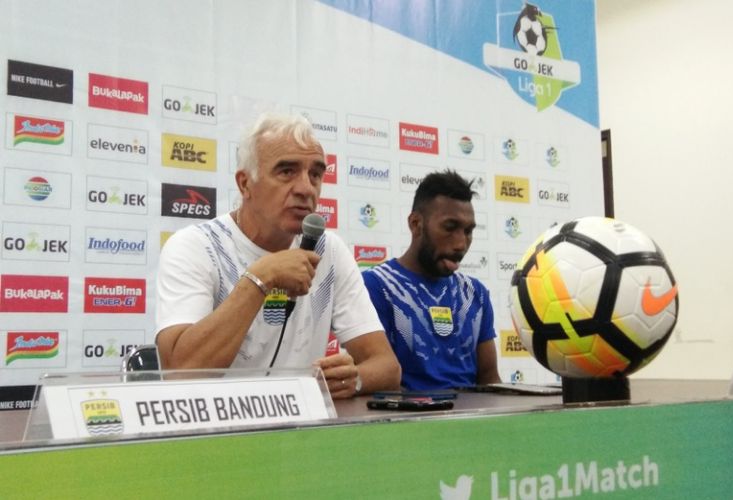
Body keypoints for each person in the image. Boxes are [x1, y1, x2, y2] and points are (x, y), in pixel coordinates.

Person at [155, 113, 400, 399]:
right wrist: (261, 277)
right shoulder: (196, 246)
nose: (306, 188)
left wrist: (354, 378)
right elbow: (180, 372)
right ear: (245, 184)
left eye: (315, 174)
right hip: (217, 433)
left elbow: (387, 367)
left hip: (300, 431)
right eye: (287, 172)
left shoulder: (329, 250)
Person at [362, 169, 501, 390]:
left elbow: (490, 380)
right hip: (408, 423)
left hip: (474, 423)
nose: (461, 244)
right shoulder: (376, 286)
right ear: (416, 224)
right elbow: (376, 383)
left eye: (468, 231)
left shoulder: (475, 293)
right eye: (450, 228)